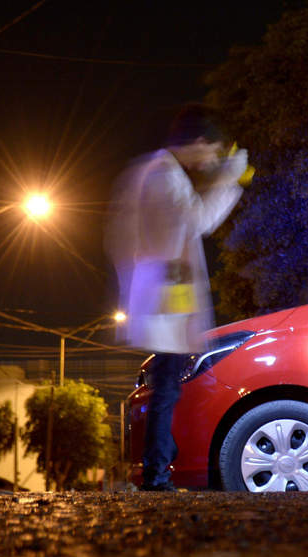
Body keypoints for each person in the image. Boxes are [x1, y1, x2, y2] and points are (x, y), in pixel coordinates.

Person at [106, 105, 248, 491]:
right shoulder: (163, 175)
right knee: (167, 385)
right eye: (212, 151)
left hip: (167, 296)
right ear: (199, 141)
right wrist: (230, 179)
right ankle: (157, 470)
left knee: (169, 383)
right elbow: (198, 221)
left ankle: (163, 459)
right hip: (165, 298)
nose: (210, 160)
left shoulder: (158, 171)